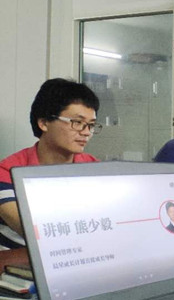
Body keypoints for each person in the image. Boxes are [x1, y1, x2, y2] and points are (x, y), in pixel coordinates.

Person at [0, 78, 101, 249]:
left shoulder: (95, 168)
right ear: (44, 122)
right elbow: (35, 232)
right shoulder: (7, 172)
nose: (86, 133)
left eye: (91, 125)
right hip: (20, 260)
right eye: (77, 123)